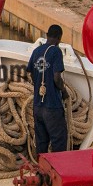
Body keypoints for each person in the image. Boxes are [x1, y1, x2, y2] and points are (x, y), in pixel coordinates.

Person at [29, 24, 68, 156]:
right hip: (52, 106)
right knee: (59, 141)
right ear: (59, 38)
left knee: (41, 142)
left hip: (37, 106)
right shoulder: (56, 51)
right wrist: (64, 91)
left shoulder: (36, 51)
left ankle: (42, 172)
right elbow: (57, 78)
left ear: (47, 35)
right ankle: (57, 172)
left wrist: (39, 87)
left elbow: (31, 73)